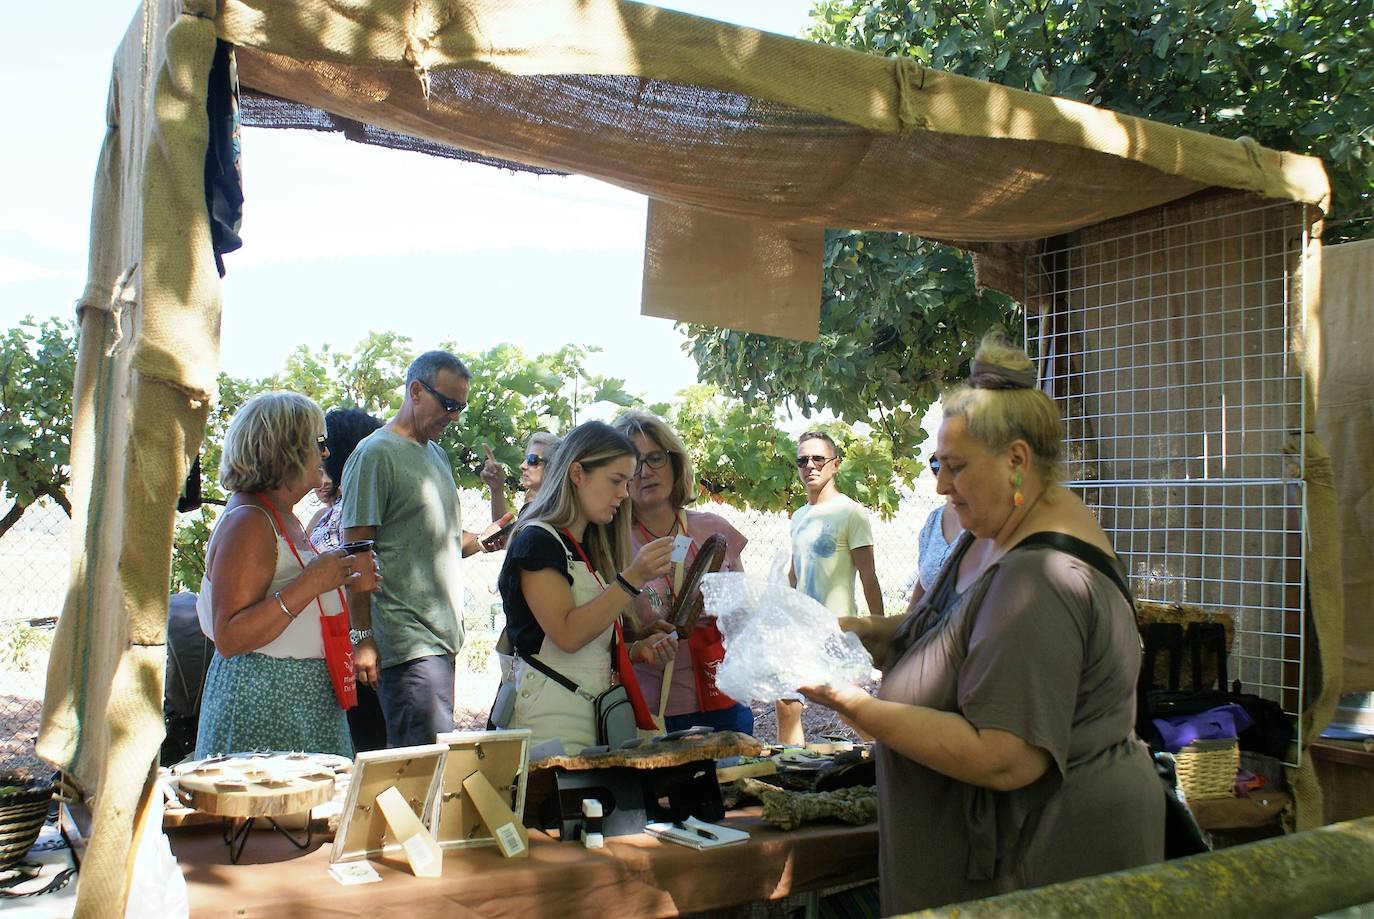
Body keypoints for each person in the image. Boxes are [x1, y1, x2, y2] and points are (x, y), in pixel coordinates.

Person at [800, 333, 1163, 913]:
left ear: (1017, 460)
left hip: (1041, 869)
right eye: (938, 465)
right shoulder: (990, 529)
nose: (941, 486)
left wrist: (851, 703)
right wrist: (857, 630)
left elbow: (1006, 755)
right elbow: (943, 632)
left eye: (957, 468)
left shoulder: (1042, 576)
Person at [194, 392, 367, 758]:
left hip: (297, 699)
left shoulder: (277, 514)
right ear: (285, 448)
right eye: (318, 442)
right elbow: (230, 636)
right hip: (265, 699)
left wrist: (342, 579)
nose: (325, 453)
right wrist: (312, 583)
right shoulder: (249, 521)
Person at [340, 350, 499, 748]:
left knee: (425, 772)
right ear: (415, 390)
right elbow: (356, 552)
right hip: (407, 643)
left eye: (460, 407)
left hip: (442, 641)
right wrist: (361, 638)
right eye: (448, 404)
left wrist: (480, 540)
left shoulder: (437, 455)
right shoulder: (374, 455)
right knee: (419, 775)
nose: (454, 416)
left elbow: (436, 540)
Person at [497, 421, 679, 752]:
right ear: (577, 473)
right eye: (616, 480)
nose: (624, 494)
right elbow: (566, 634)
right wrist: (632, 578)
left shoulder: (581, 547)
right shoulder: (537, 540)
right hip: (544, 732)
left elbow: (586, 647)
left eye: (626, 483)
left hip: (580, 723)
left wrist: (637, 650)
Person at [611, 409, 752, 734]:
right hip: (653, 713)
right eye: (634, 463)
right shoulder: (612, 545)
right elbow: (606, 636)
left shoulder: (714, 531)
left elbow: (743, 619)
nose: (645, 472)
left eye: (655, 458)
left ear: (675, 463)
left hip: (725, 701)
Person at [780, 431, 883, 745]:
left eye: (818, 458)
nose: (810, 465)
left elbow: (868, 575)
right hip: (801, 630)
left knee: (848, 709)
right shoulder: (799, 515)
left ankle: (889, 759)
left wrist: (880, 632)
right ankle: (790, 772)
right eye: (802, 460)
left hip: (836, 629)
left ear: (835, 465)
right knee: (787, 703)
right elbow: (795, 575)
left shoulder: (850, 512)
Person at [309, 407, 387, 753]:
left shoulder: (361, 510)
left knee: (366, 745)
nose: (320, 457)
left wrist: (362, 638)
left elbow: (360, 575)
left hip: (356, 644)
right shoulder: (323, 514)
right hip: (327, 646)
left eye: (327, 449)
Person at [481, 431, 562, 522]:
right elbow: (507, 534)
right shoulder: (538, 508)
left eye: (532, 460)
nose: (522, 466)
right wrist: (497, 489)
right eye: (525, 459)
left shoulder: (553, 513)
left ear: (554, 466)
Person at [905, 493, 963, 612]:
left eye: (954, 473)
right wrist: (905, 624)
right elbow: (923, 582)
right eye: (936, 473)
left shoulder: (985, 528)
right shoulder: (935, 519)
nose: (940, 488)